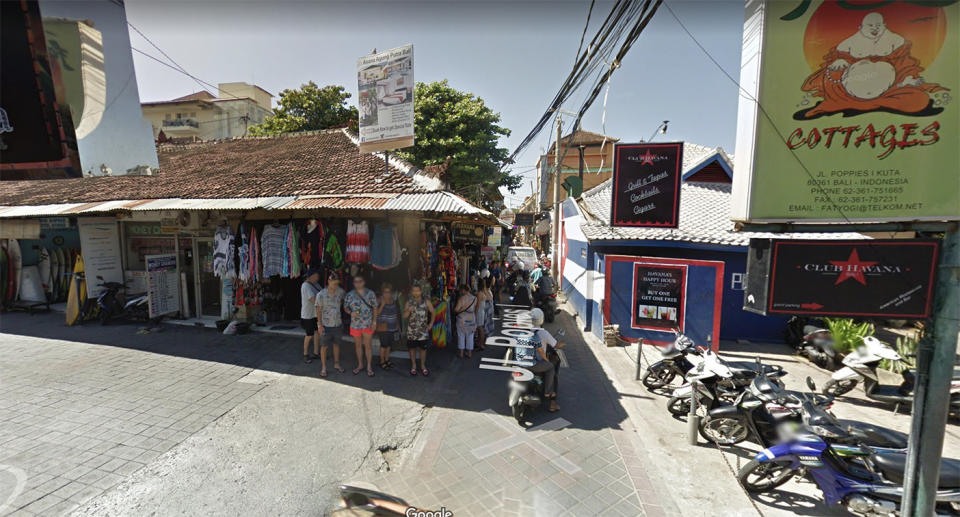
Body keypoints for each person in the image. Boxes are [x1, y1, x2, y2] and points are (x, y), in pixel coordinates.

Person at [800, 12, 945, 118]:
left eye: (878, 25)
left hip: (889, 89)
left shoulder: (895, 40)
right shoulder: (849, 43)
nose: (875, 29)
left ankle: (871, 103)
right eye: (870, 26)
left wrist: (907, 80)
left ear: (884, 25)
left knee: (918, 99)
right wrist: (838, 61)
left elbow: (905, 65)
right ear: (861, 27)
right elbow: (833, 65)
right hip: (849, 91)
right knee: (831, 79)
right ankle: (856, 104)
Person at [529, 308, 564, 412]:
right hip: (536, 363)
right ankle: (551, 399)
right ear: (541, 319)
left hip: (522, 362)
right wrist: (562, 344)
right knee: (552, 369)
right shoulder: (543, 333)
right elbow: (555, 345)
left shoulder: (525, 330)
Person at [345, 275, 378, 376]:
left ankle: (369, 366)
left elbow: (375, 308)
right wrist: (351, 313)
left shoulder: (370, 293)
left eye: (360, 281)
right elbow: (345, 307)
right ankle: (360, 365)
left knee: (368, 346)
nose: (358, 283)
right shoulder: (350, 295)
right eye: (355, 281)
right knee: (358, 346)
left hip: (367, 323)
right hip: (355, 324)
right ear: (353, 283)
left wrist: (374, 322)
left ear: (364, 282)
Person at [315, 272, 345, 377]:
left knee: (337, 345)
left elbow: (343, 301)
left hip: (337, 324)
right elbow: (318, 310)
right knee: (324, 347)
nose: (335, 285)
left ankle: (336, 364)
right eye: (333, 282)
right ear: (328, 281)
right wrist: (319, 325)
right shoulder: (321, 295)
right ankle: (324, 367)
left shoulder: (340, 292)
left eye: (337, 283)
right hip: (325, 326)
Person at [403, 282, 435, 376]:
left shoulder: (426, 301)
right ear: (412, 292)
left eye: (417, 291)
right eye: (414, 291)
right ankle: (413, 366)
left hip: (423, 331)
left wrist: (431, 324)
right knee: (412, 349)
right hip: (411, 331)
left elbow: (433, 312)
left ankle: (422, 366)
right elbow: (404, 316)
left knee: (423, 350)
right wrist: (409, 310)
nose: (416, 292)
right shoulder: (408, 302)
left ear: (421, 291)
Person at [375, 283, 400, 371]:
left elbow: (395, 313)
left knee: (389, 345)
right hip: (383, 327)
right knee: (383, 345)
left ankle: (387, 359)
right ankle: (382, 361)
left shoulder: (393, 300)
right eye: (385, 292)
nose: (387, 294)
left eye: (389, 292)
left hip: (392, 327)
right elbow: (376, 313)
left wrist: (397, 324)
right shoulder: (379, 300)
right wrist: (382, 305)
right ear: (382, 293)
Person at [300, 269, 321, 364]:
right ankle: (305, 354)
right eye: (316, 276)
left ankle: (316, 353)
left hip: (316, 314)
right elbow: (313, 300)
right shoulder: (305, 286)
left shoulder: (316, 284)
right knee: (309, 335)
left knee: (317, 332)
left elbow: (323, 293)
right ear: (311, 276)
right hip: (308, 315)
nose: (318, 277)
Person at [453, 285, 478, 359]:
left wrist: (457, 310)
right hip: (471, 318)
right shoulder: (475, 298)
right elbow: (475, 308)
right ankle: (469, 353)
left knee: (461, 335)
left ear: (463, 290)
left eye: (461, 290)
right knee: (470, 336)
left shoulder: (461, 299)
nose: (460, 292)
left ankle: (461, 354)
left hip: (462, 319)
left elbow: (456, 309)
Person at [474, 279, 489, 352]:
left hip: (479, 312)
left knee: (480, 328)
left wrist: (474, 313)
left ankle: (481, 344)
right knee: (480, 328)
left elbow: (477, 305)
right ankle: (480, 343)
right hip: (482, 311)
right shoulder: (484, 292)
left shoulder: (479, 293)